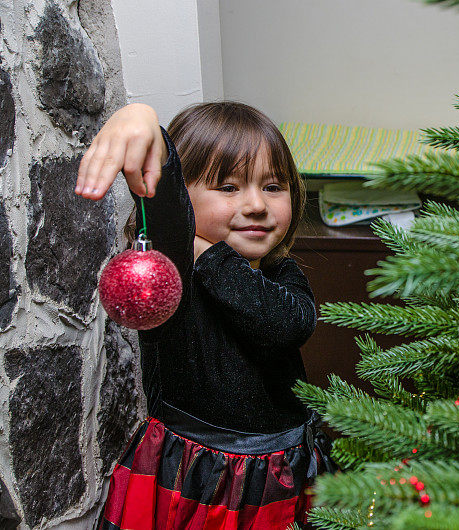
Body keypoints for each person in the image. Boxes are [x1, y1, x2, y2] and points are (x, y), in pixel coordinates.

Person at [76, 101, 333, 529]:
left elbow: (287, 324)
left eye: (273, 186)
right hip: (201, 482)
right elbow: (167, 207)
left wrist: (212, 255)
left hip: (287, 473)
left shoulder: (280, 271)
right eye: (229, 188)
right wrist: (142, 120)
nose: (256, 205)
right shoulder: (171, 281)